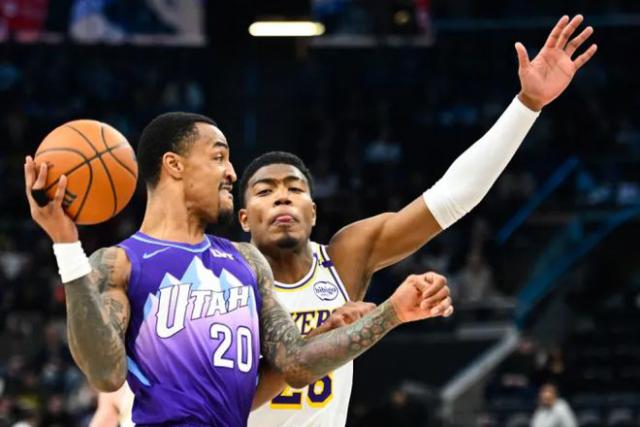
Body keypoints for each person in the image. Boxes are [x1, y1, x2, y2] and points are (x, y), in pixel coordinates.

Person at [244, 14, 597, 427]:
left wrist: (527, 106)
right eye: (265, 191)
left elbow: (452, 197)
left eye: (295, 188)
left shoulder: (342, 258)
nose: (282, 196)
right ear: (244, 217)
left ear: (314, 210)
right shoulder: (224, 277)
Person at [24, 112, 453, 426]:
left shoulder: (246, 261)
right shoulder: (120, 262)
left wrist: (391, 312)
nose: (231, 172)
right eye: (219, 157)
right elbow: (105, 373)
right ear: (174, 165)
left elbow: (295, 365)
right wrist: (66, 244)